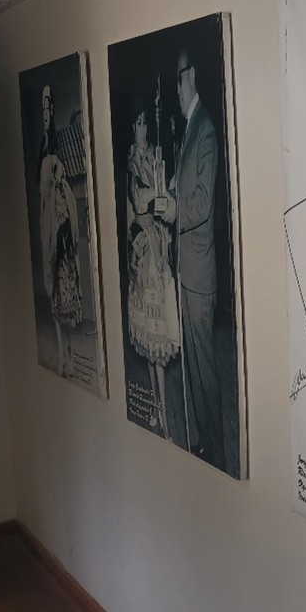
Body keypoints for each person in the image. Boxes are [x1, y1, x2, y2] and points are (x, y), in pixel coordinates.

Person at [158, 50, 224, 467]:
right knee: (194, 368)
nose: (176, 90)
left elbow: (202, 202)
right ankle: (203, 444)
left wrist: (174, 208)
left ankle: (218, 453)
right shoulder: (189, 128)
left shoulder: (205, 129)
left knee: (206, 369)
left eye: (179, 80)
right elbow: (187, 188)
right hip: (187, 269)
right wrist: (170, 188)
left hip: (200, 273)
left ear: (192, 75)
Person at [125, 93, 180, 437]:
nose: (143, 128)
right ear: (133, 128)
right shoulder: (132, 161)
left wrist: (163, 192)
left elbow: (160, 199)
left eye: (146, 122)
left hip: (158, 246)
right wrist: (154, 197)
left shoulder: (154, 156)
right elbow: (137, 202)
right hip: (142, 252)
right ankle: (157, 410)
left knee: (160, 336)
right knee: (147, 339)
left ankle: (164, 414)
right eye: (139, 123)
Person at [37, 85, 82, 376]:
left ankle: (70, 353)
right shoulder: (43, 151)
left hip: (62, 235)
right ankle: (62, 355)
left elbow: (62, 189)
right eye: (43, 110)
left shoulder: (58, 149)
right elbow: (43, 195)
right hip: (50, 231)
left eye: (49, 109)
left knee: (64, 299)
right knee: (53, 297)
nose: (46, 114)